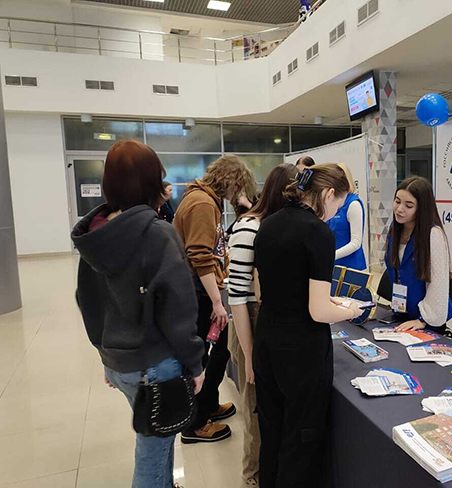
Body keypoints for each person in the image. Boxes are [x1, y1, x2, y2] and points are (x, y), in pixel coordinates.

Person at [71, 140, 205, 488]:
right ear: (151, 182)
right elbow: (178, 309)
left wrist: (107, 352)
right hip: (155, 364)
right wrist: (195, 363)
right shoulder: (157, 233)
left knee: (160, 431)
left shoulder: (97, 232)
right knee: (152, 452)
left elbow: (87, 300)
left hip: (119, 363)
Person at [254, 164, 363, 487]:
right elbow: (318, 311)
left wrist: (326, 303)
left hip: (267, 340)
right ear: (328, 194)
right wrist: (351, 310)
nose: (335, 214)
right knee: (301, 439)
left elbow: (267, 290)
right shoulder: (318, 232)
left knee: (272, 432)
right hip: (301, 351)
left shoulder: (268, 223)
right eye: (338, 206)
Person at [173, 154, 257, 444]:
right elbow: (199, 255)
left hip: (202, 286)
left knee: (220, 348)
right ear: (231, 181)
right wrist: (217, 302)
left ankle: (208, 404)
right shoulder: (202, 203)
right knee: (202, 354)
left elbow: (211, 249)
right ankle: (194, 425)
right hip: (197, 290)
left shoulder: (205, 199)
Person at [227, 163, 299, 488]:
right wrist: (250, 353)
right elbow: (237, 297)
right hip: (251, 323)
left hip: (270, 323)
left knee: (269, 411)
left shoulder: (276, 226)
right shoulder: (249, 227)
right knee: (255, 410)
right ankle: (252, 477)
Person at [385, 176, 452, 333]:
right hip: (403, 314)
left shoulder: (433, 234)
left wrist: (423, 319)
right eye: (397, 201)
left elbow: (437, 284)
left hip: (426, 321)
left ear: (422, 208)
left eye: (408, 205)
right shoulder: (395, 229)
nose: (399, 209)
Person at [327, 163, 366, 270]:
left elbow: (356, 242)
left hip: (350, 266)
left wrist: (330, 256)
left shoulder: (353, 204)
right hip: (332, 264)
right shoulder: (330, 202)